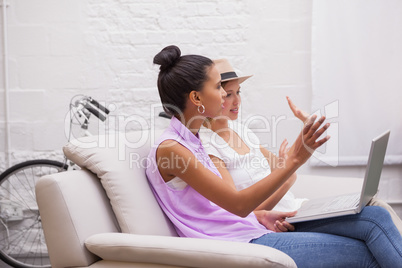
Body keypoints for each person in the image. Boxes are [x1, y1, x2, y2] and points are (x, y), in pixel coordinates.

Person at [146, 45, 402, 267]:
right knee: (366, 254)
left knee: (376, 218)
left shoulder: (193, 139)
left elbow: (213, 208)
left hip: (250, 228)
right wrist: (294, 161)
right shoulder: (172, 149)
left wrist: (258, 215)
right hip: (238, 244)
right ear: (196, 97)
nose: (226, 95)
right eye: (218, 87)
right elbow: (236, 204)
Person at [200, 58, 402, 235]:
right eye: (228, 94)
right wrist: (285, 180)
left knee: (377, 206)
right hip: (285, 221)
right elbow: (243, 211)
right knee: (375, 218)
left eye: (238, 92)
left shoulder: (242, 131)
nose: (237, 100)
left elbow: (287, 166)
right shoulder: (208, 145)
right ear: (212, 96)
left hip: (299, 207)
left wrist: (305, 132)